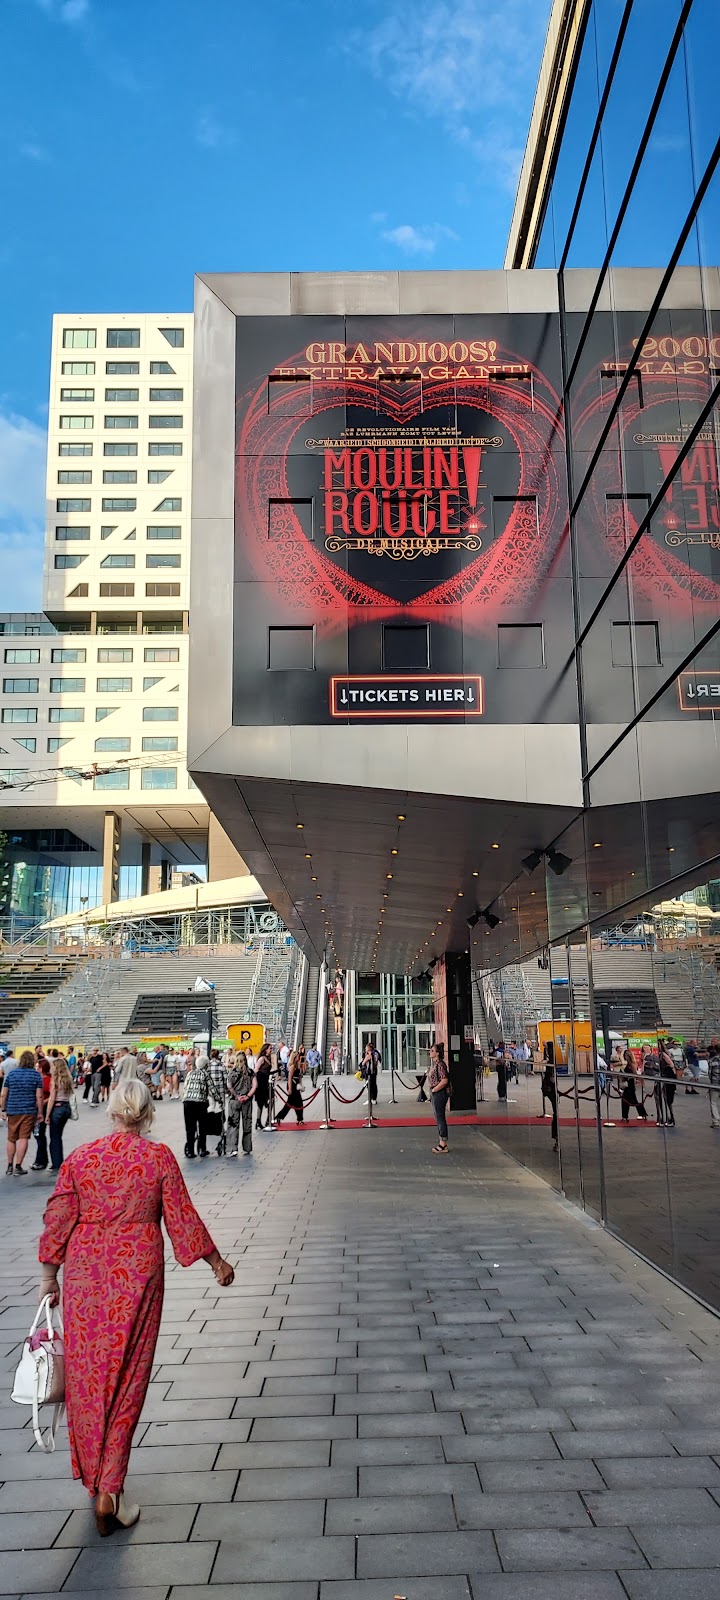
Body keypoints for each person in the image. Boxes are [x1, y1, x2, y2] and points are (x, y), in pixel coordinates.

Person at [37, 1077, 233, 1536]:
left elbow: (58, 1218)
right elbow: (182, 1218)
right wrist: (217, 1263)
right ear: (147, 1114)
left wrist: (49, 1277)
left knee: (88, 1379)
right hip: (137, 1273)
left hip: (85, 1273)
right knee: (128, 1379)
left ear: (111, 1111)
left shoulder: (82, 1158)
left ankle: (97, 1484)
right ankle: (110, 1489)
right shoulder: (157, 1157)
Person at [1, 1049, 43, 1176]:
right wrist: (40, 1112)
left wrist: (3, 1109)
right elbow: (39, 1096)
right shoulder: (36, 1075)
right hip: (28, 1110)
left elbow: (3, 1094)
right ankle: (18, 1166)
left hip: (13, 1109)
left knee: (11, 1138)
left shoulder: (11, 1074)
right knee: (24, 1138)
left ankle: (9, 1166)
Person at [45, 1054, 74, 1170]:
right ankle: (59, 1160)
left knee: (54, 1137)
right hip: (66, 1107)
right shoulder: (68, 1080)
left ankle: (57, 1163)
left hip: (57, 1107)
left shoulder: (55, 1081)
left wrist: (47, 1115)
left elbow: (52, 1099)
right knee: (59, 1135)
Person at [226, 1051, 257, 1157]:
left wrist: (237, 1096)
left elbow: (229, 1086)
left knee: (233, 1124)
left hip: (235, 1100)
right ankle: (247, 1147)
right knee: (247, 1123)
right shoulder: (250, 1072)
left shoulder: (232, 1072)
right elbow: (255, 1086)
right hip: (247, 1101)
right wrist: (247, 1096)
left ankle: (233, 1148)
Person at [182, 1054, 211, 1157]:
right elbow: (212, 1089)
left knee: (190, 1127)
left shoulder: (190, 1073)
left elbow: (185, 1087)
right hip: (200, 1102)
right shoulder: (205, 1074)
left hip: (187, 1102)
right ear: (206, 1065)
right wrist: (219, 1100)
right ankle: (202, 1149)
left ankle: (190, 1151)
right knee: (202, 1126)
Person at [427, 1041, 451, 1154]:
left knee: (440, 1117)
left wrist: (435, 1089)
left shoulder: (440, 1065)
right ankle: (442, 1141)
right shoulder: (435, 1064)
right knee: (438, 1116)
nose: (430, 1052)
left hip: (439, 1093)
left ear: (437, 1053)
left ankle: (443, 1143)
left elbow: (444, 1080)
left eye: (432, 1051)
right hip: (435, 1092)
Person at [31, 1055, 53, 1171]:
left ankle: (40, 1160)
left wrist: (44, 1101)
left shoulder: (48, 1079)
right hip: (37, 1107)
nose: (36, 1068)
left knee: (39, 1134)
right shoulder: (37, 1078)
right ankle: (42, 1159)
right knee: (38, 1134)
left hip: (43, 1108)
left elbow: (52, 1094)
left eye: (38, 1067)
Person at [274, 1049, 304, 1126]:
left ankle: (298, 1119)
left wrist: (301, 1084)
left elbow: (300, 1076)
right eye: (298, 1056)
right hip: (292, 1085)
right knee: (294, 1103)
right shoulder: (292, 1066)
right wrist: (290, 1088)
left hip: (296, 1085)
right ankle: (299, 1119)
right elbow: (289, 1078)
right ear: (294, 1057)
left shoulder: (297, 1065)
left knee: (293, 1103)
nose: (299, 1057)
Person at [620, 1049, 648, 1121]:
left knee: (631, 1100)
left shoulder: (632, 1064)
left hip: (630, 1083)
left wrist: (628, 1077)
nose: (624, 1057)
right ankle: (626, 1116)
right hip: (628, 1083)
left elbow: (635, 1074)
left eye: (626, 1055)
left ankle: (641, 1113)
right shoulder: (628, 1064)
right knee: (626, 1100)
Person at [659, 1038, 678, 1128]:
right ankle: (666, 1117)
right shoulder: (659, 1055)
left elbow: (671, 1065)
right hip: (664, 1077)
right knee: (665, 1098)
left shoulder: (663, 1055)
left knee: (668, 1099)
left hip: (668, 1078)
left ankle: (671, 1118)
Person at [541, 1056, 558, 1152]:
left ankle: (556, 1138)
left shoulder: (549, 1063)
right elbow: (552, 1079)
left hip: (551, 1089)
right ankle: (556, 1138)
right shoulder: (551, 1064)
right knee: (556, 1113)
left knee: (556, 1113)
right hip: (552, 1090)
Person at [254, 1043, 273, 1130]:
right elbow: (256, 1070)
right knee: (260, 1103)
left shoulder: (268, 1058)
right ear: (265, 1049)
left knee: (271, 1099)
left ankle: (268, 1119)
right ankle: (258, 1121)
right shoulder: (262, 1059)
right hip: (261, 1082)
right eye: (270, 1048)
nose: (271, 1050)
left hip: (266, 1081)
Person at [642, 1045, 663, 1125]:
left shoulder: (657, 1056)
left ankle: (660, 1116)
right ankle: (659, 1116)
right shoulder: (645, 1056)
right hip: (650, 1075)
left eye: (647, 1048)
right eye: (645, 1048)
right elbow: (643, 1065)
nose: (646, 1049)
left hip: (656, 1076)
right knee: (657, 1097)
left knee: (658, 1098)